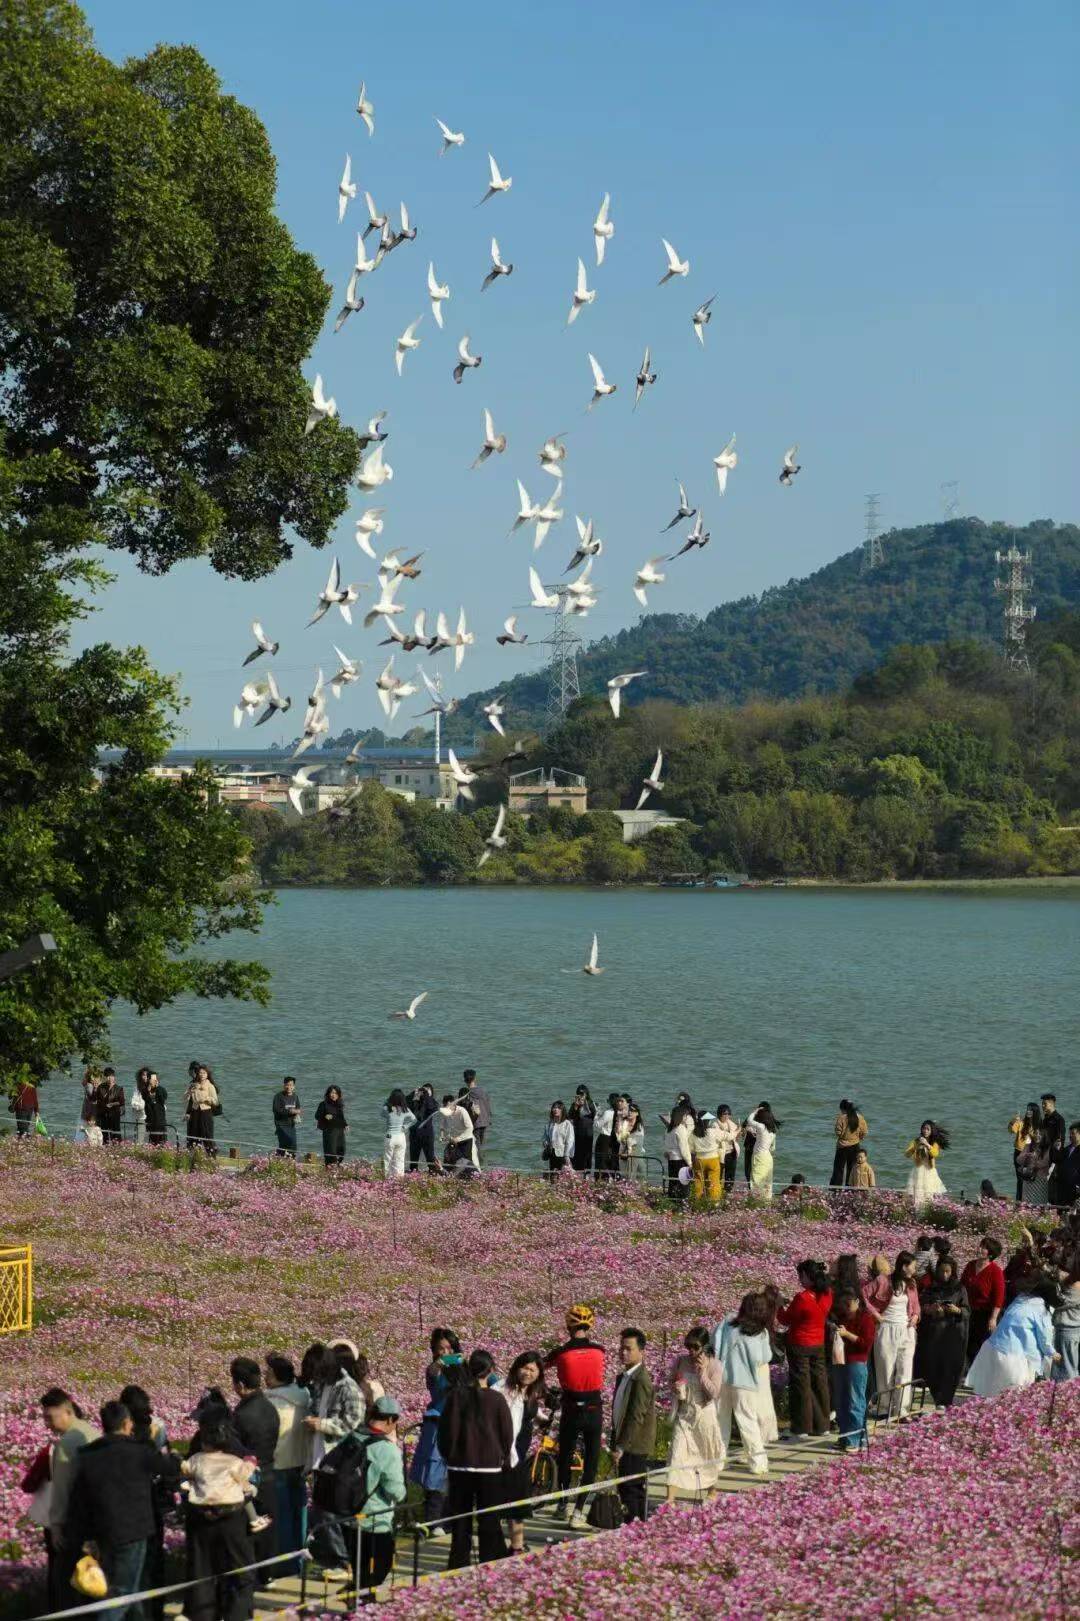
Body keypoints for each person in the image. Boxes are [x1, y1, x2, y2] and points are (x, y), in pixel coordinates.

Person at [65, 1398, 179, 1621]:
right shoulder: (138, 1451)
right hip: (133, 1531)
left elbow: (79, 1498)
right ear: (127, 1423)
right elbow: (169, 1468)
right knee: (123, 1591)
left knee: (128, 1587)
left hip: (102, 1531)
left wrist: (84, 1535)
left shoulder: (88, 1454)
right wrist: (167, 1451)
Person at [181, 1409, 261, 1621]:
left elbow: (183, 1470)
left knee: (202, 1572)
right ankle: (237, 1615)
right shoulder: (235, 1459)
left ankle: (202, 1614)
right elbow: (248, 1475)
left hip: (200, 1518)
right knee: (239, 1572)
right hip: (232, 1517)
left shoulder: (196, 1457)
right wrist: (251, 1463)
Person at [438, 1349, 512, 1569]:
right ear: (490, 1371)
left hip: (459, 1467)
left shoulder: (456, 1397)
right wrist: (502, 1456)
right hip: (489, 1468)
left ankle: (458, 1564)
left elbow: (445, 1432)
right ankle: (489, 1562)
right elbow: (506, 1435)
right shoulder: (497, 1399)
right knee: (488, 1519)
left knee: (461, 1520)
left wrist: (450, 1455)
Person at [543, 1304, 605, 1528]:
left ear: (568, 1326)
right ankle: (578, 1512)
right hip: (594, 1409)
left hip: (571, 1409)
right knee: (591, 1461)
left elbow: (539, 1366)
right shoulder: (600, 1350)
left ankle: (562, 1504)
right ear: (589, 1326)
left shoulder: (561, 1352)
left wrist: (545, 1393)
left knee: (565, 1456)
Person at [39, 1388, 99, 1609]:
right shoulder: (93, 1432)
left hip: (76, 1521)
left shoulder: (67, 1443)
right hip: (98, 1520)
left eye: (50, 1417)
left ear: (67, 1411)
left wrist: (55, 1526)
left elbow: (61, 1489)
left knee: (67, 1583)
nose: (47, 1424)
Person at [119, 1384, 172, 1616]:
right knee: (154, 1560)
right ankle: (156, 1610)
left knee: (133, 1568)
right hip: (154, 1501)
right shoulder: (158, 1427)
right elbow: (166, 1461)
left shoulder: (123, 1431)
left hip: (130, 1505)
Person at [349, 1396, 406, 1603]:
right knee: (382, 1564)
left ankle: (360, 1600)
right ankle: (362, 1601)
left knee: (359, 1565)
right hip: (375, 1518)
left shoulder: (353, 1436)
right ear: (391, 1420)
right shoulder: (387, 1449)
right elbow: (396, 1491)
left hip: (347, 1514)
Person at [410, 1330, 464, 1535]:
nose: (445, 1352)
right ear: (433, 1351)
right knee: (435, 1471)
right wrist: (442, 1364)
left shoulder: (463, 1368)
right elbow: (436, 1381)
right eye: (440, 1348)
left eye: (449, 1348)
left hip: (459, 1425)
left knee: (456, 1472)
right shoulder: (434, 1370)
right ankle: (434, 1521)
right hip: (439, 1424)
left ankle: (450, 1520)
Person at [714, 1294, 772, 1477]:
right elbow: (764, 1357)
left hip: (722, 1379)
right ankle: (758, 1463)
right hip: (746, 1382)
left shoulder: (728, 1323)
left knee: (720, 1421)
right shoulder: (761, 1333)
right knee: (748, 1421)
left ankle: (717, 1461)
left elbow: (714, 1345)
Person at [967, 1281, 1061, 1395]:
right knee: (1016, 1397)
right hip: (1016, 1357)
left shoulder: (1019, 1301)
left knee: (994, 1394)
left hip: (993, 1349)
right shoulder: (1040, 1311)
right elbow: (1044, 1339)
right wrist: (1053, 1353)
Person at [264, 1354, 311, 1577]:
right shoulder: (305, 1396)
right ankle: (300, 1559)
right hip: (301, 1462)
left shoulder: (272, 1403)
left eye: (268, 1372)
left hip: (280, 1464)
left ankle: (286, 1565)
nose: (265, 1376)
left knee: (282, 1516)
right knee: (299, 1512)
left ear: (276, 1377)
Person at [666, 1325, 724, 1501]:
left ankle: (712, 1489)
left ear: (704, 1347)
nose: (690, 1351)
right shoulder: (680, 1361)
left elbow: (714, 1393)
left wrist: (702, 1373)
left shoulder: (714, 1365)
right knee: (676, 1452)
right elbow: (671, 1381)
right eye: (688, 1346)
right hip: (685, 1414)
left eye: (695, 1347)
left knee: (707, 1453)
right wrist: (675, 1388)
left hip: (705, 1415)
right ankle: (670, 1499)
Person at [776, 1260, 833, 1438]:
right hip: (818, 1344)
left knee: (801, 1385)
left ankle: (802, 1427)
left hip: (799, 1344)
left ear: (809, 1276)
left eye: (801, 1276)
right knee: (819, 1383)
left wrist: (779, 1305)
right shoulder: (827, 1294)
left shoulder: (802, 1298)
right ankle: (822, 1425)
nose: (800, 1279)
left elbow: (785, 1319)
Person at [230, 1358, 279, 1560]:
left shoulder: (240, 1415)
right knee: (267, 1529)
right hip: (269, 1475)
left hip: (249, 1481)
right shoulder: (270, 1408)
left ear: (240, 1385)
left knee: (249, 1533)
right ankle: (267, 1574)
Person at [500, 1351, 549, 1551]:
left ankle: (516, 1545)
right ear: (516, 1368)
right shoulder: (505, 1389)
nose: (527, 1373)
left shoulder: (529, 1391)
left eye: (532, 1369)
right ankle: (510, 1546)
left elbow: (529, 1411)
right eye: (524, 1367)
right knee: (510, 1499)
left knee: (516, 1499)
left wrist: (542, 1418)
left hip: (519, 1453)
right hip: (507, 1454)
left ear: (538, 1374)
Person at [608, 1328, 656, 1523]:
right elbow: (618, 1413)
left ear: (641, 1351)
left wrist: (621, 1447)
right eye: (622, 1348)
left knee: (632, 1490)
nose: (623, 1352)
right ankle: (633, 1528)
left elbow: (636, 1416)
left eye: (629, 1349)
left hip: (634, 1445)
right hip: (622, 1441)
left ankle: (635, 1530)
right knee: (625, 1489)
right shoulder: (623, 1376)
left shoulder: (641, 1379)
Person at [865, 1251, 921, 1417]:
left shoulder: (911, 1284)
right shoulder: (883, 1280)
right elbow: (863, 1295)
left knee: (905, 1370)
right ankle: (884, 1408)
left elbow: (916, 1305)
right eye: (913, 1266)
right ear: (904, 1266)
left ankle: (902, 1410)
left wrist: (916, 1316)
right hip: (887, 1328)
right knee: (886, 1370)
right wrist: (875, 1314)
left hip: (907, 1330)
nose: (915, 1269)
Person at [915, 1258, 969, 1407]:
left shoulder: (959, 1288)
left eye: (947, 1271)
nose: (944, 1275)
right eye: (942, 1271)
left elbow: (966, 1310)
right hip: (934, 1334)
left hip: (953, 1333)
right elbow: (921, 1305)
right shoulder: (931, 1288)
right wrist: (930, 1309)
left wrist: (956, 1310)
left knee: (950, 1367)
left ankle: (946, 1399)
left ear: (952, 1272)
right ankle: (936, 1395)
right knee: (933, 1365)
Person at [304, 1345, 364, 1467]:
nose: (315, 1378)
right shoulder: (322, 1385)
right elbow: (317, 1412)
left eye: (317, 1373)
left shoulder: (349, 1388)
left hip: (338, 1461)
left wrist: (322, 1424)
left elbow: (353, 1423)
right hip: (318, 1456)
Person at [830, 1290, 876, 1448]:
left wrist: (847, 1334)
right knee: (841, 1401)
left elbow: (865, 1344)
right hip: (841, 1361)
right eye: (843, 1304)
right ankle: (844, 1437)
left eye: (848, 1304)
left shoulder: (866, 1319)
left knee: (855, 1401)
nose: (846, 1307)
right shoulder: (842, 1318)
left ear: (857, 1302)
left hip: (856, 1363)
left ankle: (855, 1439)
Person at [961, 1237, 1006, 1369]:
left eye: (984, 1247)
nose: (980, 1249)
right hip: (968, 1311)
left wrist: (993, 1318)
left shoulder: (995, 1271)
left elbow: (999, 1298)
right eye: (980, 1246)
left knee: (980, 1344)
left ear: (991, 1253)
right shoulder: (970, 1265)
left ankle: (978, 1375)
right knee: (966, 1342)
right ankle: (965, 1373)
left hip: (984, 1313)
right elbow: (962, 1286)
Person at [1052, 1259, 1080, 1381]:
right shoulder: (1072, 1282)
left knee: (1065, 1371)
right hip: (1071, 1331)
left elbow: (1058, 1301)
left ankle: (1067, 1398)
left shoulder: (1075, 1285)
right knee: (1068, 1368)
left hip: (1067, 1332)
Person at [745, 1104, 780, 1202]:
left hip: (759, 1156)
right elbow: (772, 1148)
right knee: (767, 1182)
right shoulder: (773, 1131)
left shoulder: (761, 1127)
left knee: (756, 1180)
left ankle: (756, 1202)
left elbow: (749, 1120)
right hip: (768, 1158)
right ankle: (767, 1202)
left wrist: (755, 1111)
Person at [905, 1120, 948, 1199]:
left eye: (928, 1129)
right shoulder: (916, 1141)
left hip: (930, 1171)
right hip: (918, 1170)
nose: (925, 1131)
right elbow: (907, 1154)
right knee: (917, 1195)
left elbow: (935, 1154)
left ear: (931, 1131)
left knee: (929, 1195)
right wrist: (915, 1147)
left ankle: (927, 1209)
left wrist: (927, 1145)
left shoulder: (934, 1143)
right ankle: (918, 1209)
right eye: (924, 1128)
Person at [831, 1099, 868, 1187]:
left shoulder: (842, 1118)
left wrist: (843, 1137)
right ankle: (850, 1190)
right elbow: (865, 1131)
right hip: (855, 1146)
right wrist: (858, 1138)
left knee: (838, 1170)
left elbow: (838, 1132)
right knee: (852, 1170)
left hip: (842, 1147)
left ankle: (836, 1190)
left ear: (843, 1109)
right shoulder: (860, 1117)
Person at [437, 1092, 478, 1173]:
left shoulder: (462, 1111)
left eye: (448, 1106)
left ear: (452, 1103)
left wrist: (458, 1138)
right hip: (453, 1140)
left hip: (465, 1140)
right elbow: (442, 1125)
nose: (447, 1109)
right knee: (449, 1158)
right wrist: (441, 1135)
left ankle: (471, 1177)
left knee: (466, 1162)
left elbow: (470, 1128)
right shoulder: (446, 1111)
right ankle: (448, 1176)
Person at [689, 1110, 723, 1204]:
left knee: (698, 1181)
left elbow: (691, 1149)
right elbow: (725, 1136)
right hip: (713, 1159)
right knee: (714, 1181)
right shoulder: (712, 1131)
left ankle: (697, 1201)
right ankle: (714, 1202)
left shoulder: (694, 1133)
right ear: (707, 1121)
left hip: (699, 1159)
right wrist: (736, 1131)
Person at [184, 1065, 220, 1153]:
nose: (202, 1075)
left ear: (207, 1074)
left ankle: (211, 1157)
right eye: (200, 1073)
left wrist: (207, 1098)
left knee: (207, 1135)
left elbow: (216, 1101)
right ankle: (193, 1157)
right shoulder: (193, 1084)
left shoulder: (210, 1086)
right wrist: (189, 1092)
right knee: (194, 1135)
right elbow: (184, 1098)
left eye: (204, 1073)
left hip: (206, 1112)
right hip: (195, 1112)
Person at [382, 1089, 417, 1178]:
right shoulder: (405, 1109)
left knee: (388, 1159)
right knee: (400, 1160)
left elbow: (382, 1114)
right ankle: (399, 1179)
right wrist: (405, 1126)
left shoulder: (387, 1109)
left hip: (390, 1136)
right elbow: (414, 1119)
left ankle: (387, 1179)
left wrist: (387, 1101)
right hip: (401, 1137)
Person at [1016, 1126, 1054, 1206]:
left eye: (1040, 1134)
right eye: (1036, 1133)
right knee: (1027, 1202)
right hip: (1028, 1178)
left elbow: (1044, 1162)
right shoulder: (1028, 1146)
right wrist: (1026, 1155)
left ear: (1044, 1136)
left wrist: (1033, 1159)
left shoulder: (1047, 1148)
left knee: (1040, 1202)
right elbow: (1018, 1160)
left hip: (1041, 1179)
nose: (1037, 1135)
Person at [406, 1085, 439, 1173]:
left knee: (430, 1160)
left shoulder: (433, 1102)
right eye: (424, 1091)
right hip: (414, 1134)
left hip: (427, 1135)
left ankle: (433, 1177)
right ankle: (413, 1177)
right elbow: (405, 1102)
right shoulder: (415, 1102)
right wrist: (414, 1093)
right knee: (413, 1161)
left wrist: (427, 1096)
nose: (424, 1093)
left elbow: (432, 1108)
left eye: (428, 1090)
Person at [315, 1086, 348, 1167]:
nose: (333, 1095)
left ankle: (337, 1167)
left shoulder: (339, 1104)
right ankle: (329, 1170)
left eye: (336, 1093)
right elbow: (316, 1116)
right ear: (328, 1094)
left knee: (341, 1151)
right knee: (331, 1152)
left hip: (340, 1131)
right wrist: (324, 1116)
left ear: (338, 1095)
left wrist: (346, 1124)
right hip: (329, 1131)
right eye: (332, 1092)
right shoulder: (323, 1104)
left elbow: (341, 1117)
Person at [462, 1069, 492, 1155]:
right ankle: (480, 1166)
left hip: (474, 1123)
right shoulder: (483, 1091)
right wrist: (488, 1120)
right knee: (480, 1146)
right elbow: (488, 1107)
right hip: (485, 1122)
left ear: (465, 1080)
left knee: (475, 1147)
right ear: (475, 1079)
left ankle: (477, 1166)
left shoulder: (467, 1094)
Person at [542, 1100, 575, 1180]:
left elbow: (569, 1141)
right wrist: (545, 1142)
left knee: (563, 1177)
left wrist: (567, 1155)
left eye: (558, 1108)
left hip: (563, 1154)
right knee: (553, 1176)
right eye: (554, 1108)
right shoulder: (550, 1123)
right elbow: (545, 1137)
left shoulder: (567, 1124)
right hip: (552, 1153)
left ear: (562, 1110)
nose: (556, 1109)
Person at [567, 1087, 596, 1173]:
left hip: (587, 1133)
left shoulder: (591, 1103)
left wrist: (585, 1104)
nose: (581, 1096)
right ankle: (576, 1171)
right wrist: (576, 1106)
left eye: (583, 1094)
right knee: (577, 1153)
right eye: (579, 1093)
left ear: (587, 1094)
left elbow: (595, 1116)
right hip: (577, 1132)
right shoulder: (575, 1104)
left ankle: (586, 1173)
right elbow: (570, 1116)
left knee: (587, 1154)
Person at [272, 1077, 302, 1158]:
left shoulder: (295, 1096)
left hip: (291, 1125)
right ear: (284, 1085)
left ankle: (291, 1162)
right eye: (287, 1085)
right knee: (286, 1142)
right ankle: (279, 1159)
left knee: (293, 1144)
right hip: (280, 1124)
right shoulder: (278, 1096)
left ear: (294, 1086)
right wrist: (290, 1111)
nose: (289, 1087)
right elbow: (276, 1110)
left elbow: (298, 1108)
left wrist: (298, 1113)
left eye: (291, 1085)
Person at [592, 1093, 619, 1180]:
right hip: (615, 1139)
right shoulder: (620, 1112)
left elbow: (597, 1125)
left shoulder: (608, 1112)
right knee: (611, 1160)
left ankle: (601, 1179)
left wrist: (596, 1114)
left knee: (601, 1161)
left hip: (604, 1138)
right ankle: (612, 1178)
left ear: (611, 1102)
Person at [95, 1068, 126, 1144]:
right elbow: (97, 1099)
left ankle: (117, 1149)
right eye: (107, 1076)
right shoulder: (101, 1087)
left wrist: (112, 1104)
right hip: (103, 1115)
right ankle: (104, 1150)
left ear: (114, 1077)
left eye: (111, 1076)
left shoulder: (119, 1089)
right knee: (104, 1135)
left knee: (115, 1135)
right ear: (105, 1077)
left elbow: (121, 1102)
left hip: (114, 1114)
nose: (109, 1078)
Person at [715, 1105, 741, 1192]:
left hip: (731, 1152)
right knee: (718, 1174)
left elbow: (736, 1139)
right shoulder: (715, 1125)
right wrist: (735, 1133)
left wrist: (739, 1133)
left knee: (730, 1175)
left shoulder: (731, 1124)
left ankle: (728, 1192)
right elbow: (724, 1137)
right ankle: (717, 1192)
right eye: (724, 1114)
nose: (727, 1116)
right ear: (719, 1114)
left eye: (728, 1114)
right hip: (720, 1153)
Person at [618, 1102, 646, 1179]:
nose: (630, 1112)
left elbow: (638, 1141)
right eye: (629, 1110)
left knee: (639, 1172)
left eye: (633, 1111)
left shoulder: (639, 1126)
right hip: (623, 1152)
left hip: (635, 1152)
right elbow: (620, 1139)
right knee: (624, 1173)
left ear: (637, 1113)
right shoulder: (624, 1123)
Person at [140, 1072, 168, 1147]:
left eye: (155, 1079)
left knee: (162, 1140)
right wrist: (148, 1091)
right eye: (152, 1079)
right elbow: (145, 1098)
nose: (154, 1081)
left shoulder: (161, 1089)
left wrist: (157, 1087)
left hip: (160, 1119)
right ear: (149, 1080)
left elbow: (162, 1099)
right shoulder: (145, 1090)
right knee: (152, 1140)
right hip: (150, 1118)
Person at [1056, 1122, 1080, 1207]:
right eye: (1069, 1133)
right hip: (1063, 1187)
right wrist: (1057, 1149)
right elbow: (1057, 1161)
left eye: (1073, 1133)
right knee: (1062, 1211)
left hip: (1075, 1188)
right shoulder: (1066, 1149)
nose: (1070, 1136)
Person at [129, 1072, 147, 1146]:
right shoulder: (137, 1087)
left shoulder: (150, 1087)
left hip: (145, 1116)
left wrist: (138, 1105)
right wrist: (138, 1106)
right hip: (138, 1116)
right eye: (143, 1075)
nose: (145, 1077)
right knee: (137, 1137)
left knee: (140, 1138)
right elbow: (133, 1102)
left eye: (146, 1075)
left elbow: (143, 1104)